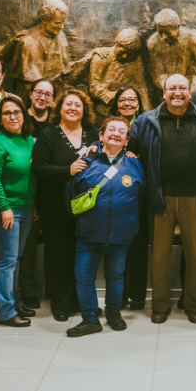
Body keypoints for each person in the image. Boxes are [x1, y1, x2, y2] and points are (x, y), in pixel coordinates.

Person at [128, 74, 196, 324]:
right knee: (159, 256)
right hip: (159, 196)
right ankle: (159, 305)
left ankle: (194, 304)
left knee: (195, 255)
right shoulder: (146, 121)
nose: (177, 93)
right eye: (172, 88)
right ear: (163, 93)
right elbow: (130, 152)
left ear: (190, 92)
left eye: (182, 88)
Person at [64, 117, 144, 336]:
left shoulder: (135, 163)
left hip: (121, 233)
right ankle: (90, 319)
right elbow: (70, 194)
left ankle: (113, 313)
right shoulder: (85, 162)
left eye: (122, 131)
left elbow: (142, 197)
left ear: (126, 141)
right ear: (101, 136)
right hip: (89, 232)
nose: (116, 133)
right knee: (84, 276)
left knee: (116, 275)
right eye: (111, 129)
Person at [32, 88, 98, 321]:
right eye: (68, 104)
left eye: (77, 105)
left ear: (84, 110)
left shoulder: (92, 133)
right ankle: (60, 302)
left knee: (83, 256)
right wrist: (67, 171)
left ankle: (80, 300)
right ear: (59, 109)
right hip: (55, 207)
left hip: (87, 209)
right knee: (58, 256)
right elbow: (38, 167)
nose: (72, 108)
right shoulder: (48, 134)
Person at [0, 94, 38, 327]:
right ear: (0, 118)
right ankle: (6, 311)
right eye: (6, 113)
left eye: (16, 112)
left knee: (15, 257)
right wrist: (4, 207)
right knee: (7, 260)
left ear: (24, 116)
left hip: (26, 209)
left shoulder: (29, 141)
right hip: (6, 211)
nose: (12, 117)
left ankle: (15, 302)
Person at [16, 77, 55, 311]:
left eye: (47, 94)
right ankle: (28, 291)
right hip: (26, 190)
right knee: (27, 246)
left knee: (53, 244)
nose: (42, 97)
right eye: (38, 92)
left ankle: (52, 289)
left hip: (50, 191)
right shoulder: (20, 121)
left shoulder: (56, 123)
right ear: (30, 95)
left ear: (53, 99)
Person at [109, 86, 149, 310]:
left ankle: (139, 296)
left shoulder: (146, 125)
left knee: (140, 246)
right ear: (116, 104)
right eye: (122, 100)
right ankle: (120, 294)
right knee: (118, 247)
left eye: (132, 100)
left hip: (140, 193)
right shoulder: (110, 126)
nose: (127, 104)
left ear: (138, 104)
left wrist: (138, 157)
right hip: (116, 195)